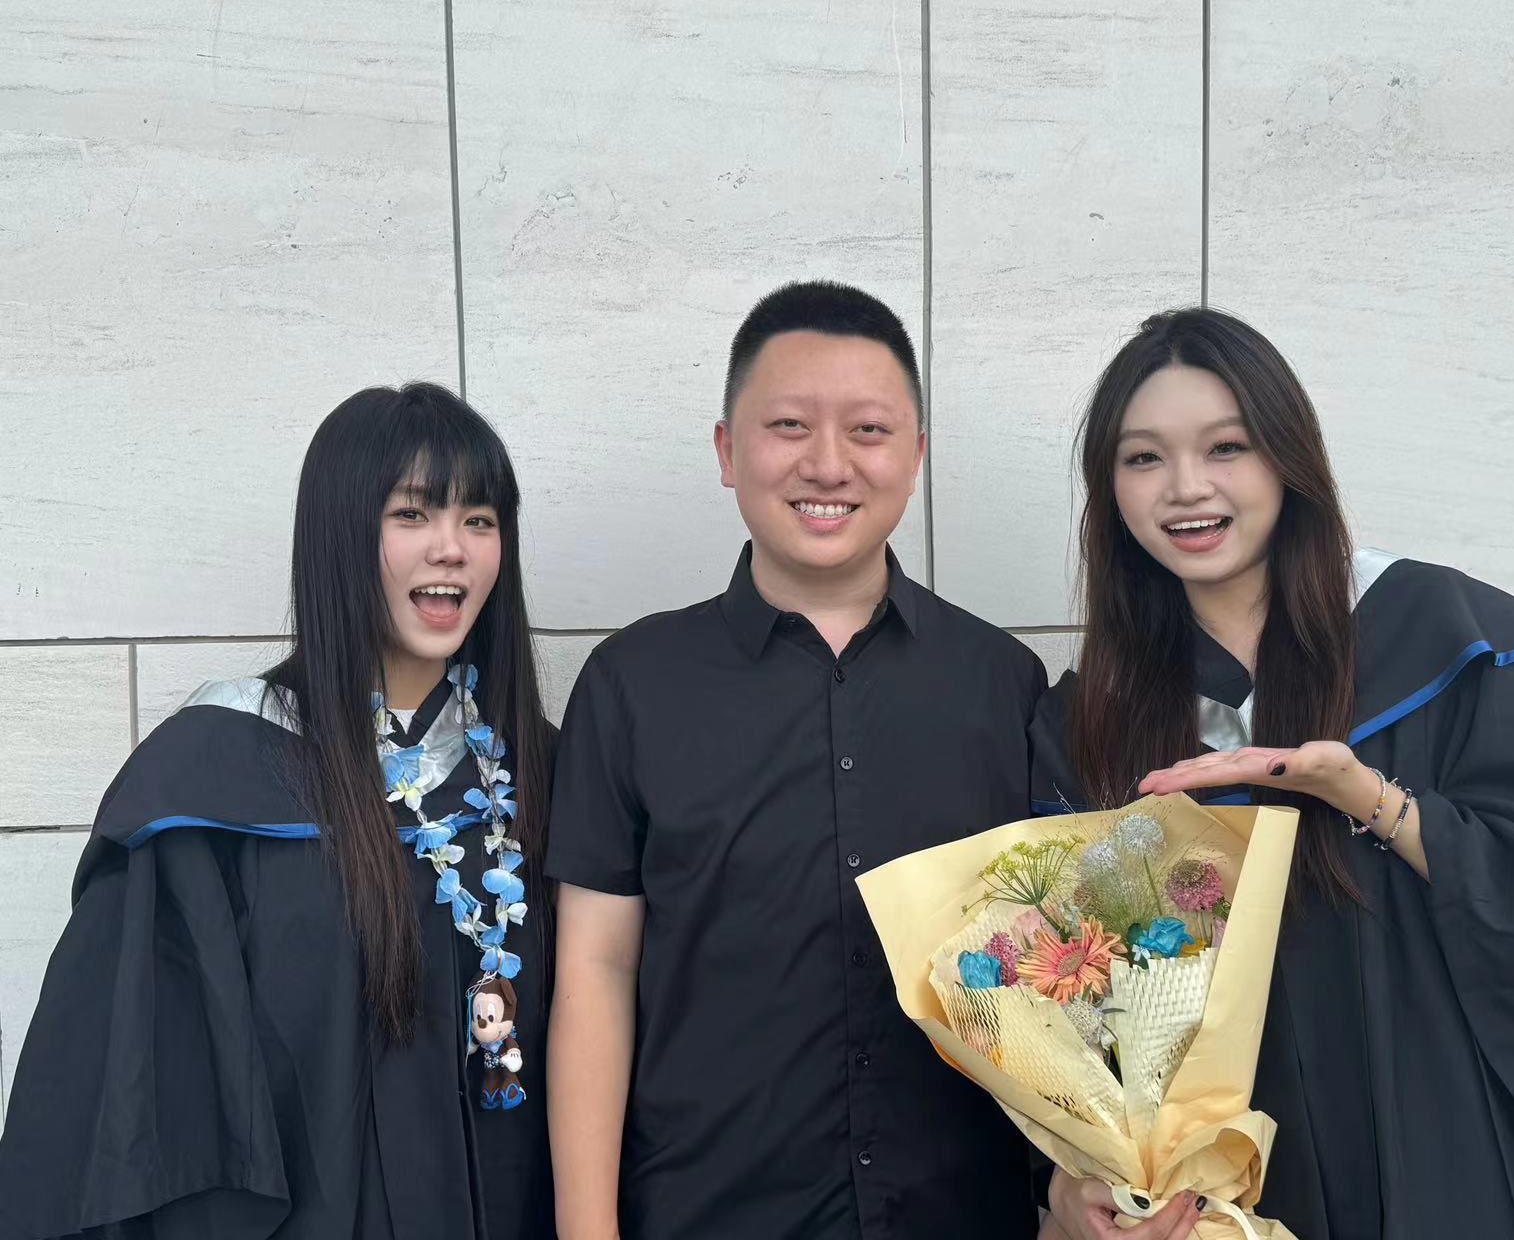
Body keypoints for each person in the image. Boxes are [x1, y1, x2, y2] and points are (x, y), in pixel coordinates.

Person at [1033, 308, 1514, 1239]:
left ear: (1286, 456)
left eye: (1226, 447)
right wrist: (1070, 1178)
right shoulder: (1090, 719)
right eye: (1143, 458)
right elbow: (1059, 1003)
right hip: (1226, 1188)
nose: (1186, 487)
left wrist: (1365, 798)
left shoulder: (1457, 640)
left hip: (1443, 1153)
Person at [548, 281, 1047, 1239]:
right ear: (727, 451)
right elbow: (597, 970)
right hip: (706, 1213)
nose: (827, 463)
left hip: (957, 1212)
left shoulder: (1002, 683)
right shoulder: (631, 685)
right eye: (788, 425)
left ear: (915, 455)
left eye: (867, 430)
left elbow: (1048, 973)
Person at [0, 383, 557, 1239]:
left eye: (479, 520)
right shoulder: (216, 774)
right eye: (412, 514)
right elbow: (136, 1093)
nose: (451, 548)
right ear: (339, 534)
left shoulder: (541, 772)